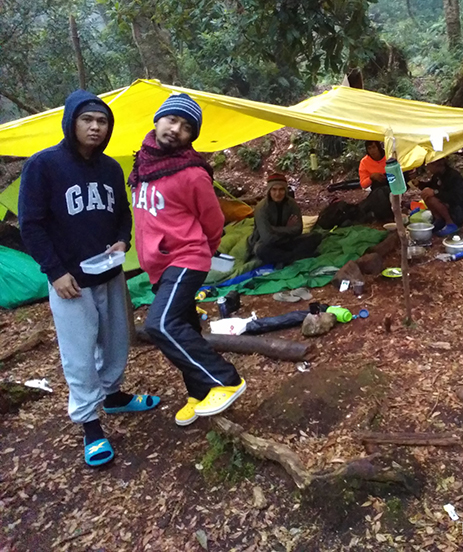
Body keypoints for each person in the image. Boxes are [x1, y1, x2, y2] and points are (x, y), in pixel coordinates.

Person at [18, 90, 159, 467]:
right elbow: (30, 225)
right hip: (71, 281)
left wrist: (121, 240)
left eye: (103, 121)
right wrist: (55, 271)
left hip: (109, 273)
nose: (96, 127)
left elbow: (123, 215)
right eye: (88, 120)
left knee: (115, 343)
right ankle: (90, 425)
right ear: (71, 122)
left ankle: (112, 397)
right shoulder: (44, 166)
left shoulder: (111, 168)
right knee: (79, 354)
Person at [130, 93, 245, 427]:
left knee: (160, 324)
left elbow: (213, 222)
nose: (176, 129)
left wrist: (203, 252)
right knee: (185, 327)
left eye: (186, 126)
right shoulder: (143, 165)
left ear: (191, 136)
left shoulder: (193, 173)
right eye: (172, 120)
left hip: (187, 257)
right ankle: (198, 394)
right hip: (159, 264)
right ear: (158, 119)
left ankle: (225, 380)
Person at [247, 173, 322, 267]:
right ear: (269, 191)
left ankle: (284, 258)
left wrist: (273, 229)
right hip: (266, 243)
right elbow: (267, 238)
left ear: (285, 190)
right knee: (260, 250)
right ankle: (295, 256)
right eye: (274, 189)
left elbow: (298, 229)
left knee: (316, 237)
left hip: (287, 240)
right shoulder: (261, 208)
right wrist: (288, 229)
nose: (278, 193)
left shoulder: (292, 204)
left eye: (281, 189)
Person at [411, 157, 463, 236]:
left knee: (432, 198)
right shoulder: (437, 176)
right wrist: (418, 183)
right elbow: (430, 186)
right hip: (448, 205)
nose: (427, 168)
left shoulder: (453, 176)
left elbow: (456, 196)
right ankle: (439, 220)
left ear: (436, 165)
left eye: (429, 165)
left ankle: (451, 223)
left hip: (459, 209)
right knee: (426, 195)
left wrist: (435, 192)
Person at [357, 140, 394, 222]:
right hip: (377, 189)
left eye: (374, 147)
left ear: (378, 147)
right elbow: (363, 184)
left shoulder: (389, 156)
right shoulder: (364, 162)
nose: (372, 151)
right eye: (369, 148)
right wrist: (372, 177)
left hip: (392, 185)